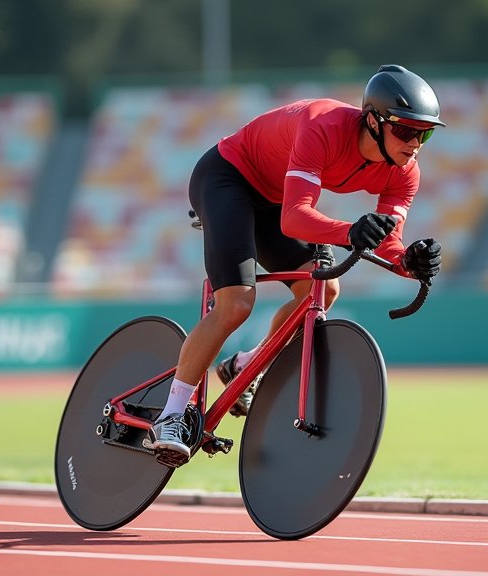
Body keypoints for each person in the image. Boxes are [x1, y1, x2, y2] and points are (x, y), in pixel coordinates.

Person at [147, 64, 444, 462]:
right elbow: (294, 218)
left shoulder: (405, 173)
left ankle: (246, 365)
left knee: (322, 290)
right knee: (236, 303)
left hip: (274, 199)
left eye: (423, 133)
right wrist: (349, 231)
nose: (416, 143)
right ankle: (170, 415)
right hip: (227, 179)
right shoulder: (322, 124)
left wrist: (410, 262)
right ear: (373, 121)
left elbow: (389, 241)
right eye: (406, 130)